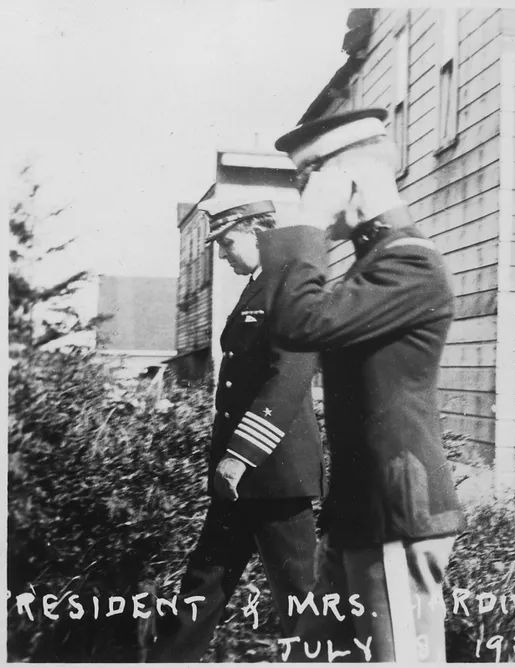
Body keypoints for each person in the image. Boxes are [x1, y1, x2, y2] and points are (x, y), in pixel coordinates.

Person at [256, 108, 465, 663]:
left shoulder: (410, 267)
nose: (305, 196)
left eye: (309, 181)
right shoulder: (376, 267)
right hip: (362, 511)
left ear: (346, 181)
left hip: (393, 512)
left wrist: (306, 226)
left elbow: (300, 321)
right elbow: (301, 316)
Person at [148, 197, 324, 662]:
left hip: (273, 474)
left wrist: (240, 455)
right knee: (204, 581)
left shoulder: (294, 281)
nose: (222, 255)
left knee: (300, 596)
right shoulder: (259, 286)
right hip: (239, 478)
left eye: (226, 243)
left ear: (256, 232)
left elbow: (287, 378)